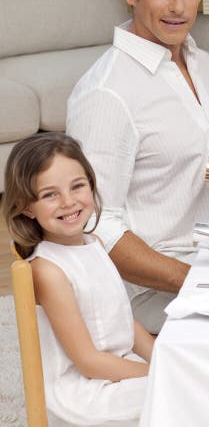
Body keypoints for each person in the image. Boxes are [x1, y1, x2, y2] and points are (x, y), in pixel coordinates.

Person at [67, 0, 209, 333]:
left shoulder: (200, 61)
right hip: (154, 293)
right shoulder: (106, 94)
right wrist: (193, 281)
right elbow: (94, 224)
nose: (179, 7)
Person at [3, 133, 152, 426]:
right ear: (26, 206)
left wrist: (166, 361)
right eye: (50, 194)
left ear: (91, 186)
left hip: (113, 371)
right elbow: (88, 362)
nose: (68, 202)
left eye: (77, 186)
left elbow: (125, 323)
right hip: (83, 393)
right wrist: (160, 374)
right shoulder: (48, 270)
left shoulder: (93, 243)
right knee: (180, 394)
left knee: (194, 384)